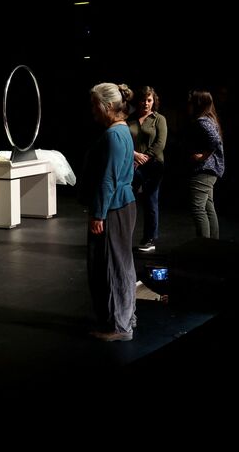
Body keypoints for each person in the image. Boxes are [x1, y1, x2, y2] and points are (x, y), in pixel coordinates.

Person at [83, 83, 137, 342]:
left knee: (113, 265)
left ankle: (120, 326)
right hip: (121, 204)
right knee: (120, 263)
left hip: (114, 207)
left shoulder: (114, 135)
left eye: (95, 105)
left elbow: (109, 178)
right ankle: (125, 318)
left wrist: (99, 214)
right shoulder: (122, 130)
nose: (93, 110)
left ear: (107, 106)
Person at [127, 86, 168, 252]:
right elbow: (124, 140)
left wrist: (144, 158)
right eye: (143, 100)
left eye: (149, 100)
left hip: (153, 166)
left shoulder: (159, 119)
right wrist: (134, 155)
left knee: (150, 201)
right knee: (128, 200)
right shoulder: (130, 119)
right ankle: (124, 236)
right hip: (133, 164)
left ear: (153, 101)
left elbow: (160, 143)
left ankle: (149, 239)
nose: (146, 103)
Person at [186, 90, 225, 239]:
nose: (188, 105)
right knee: (208, 208)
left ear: (198, 104)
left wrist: (204, 156)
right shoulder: (210, 119)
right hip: (209, 171)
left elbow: (215, 140)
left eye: (191, 102)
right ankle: (212, 245)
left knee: (198, 209)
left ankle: (204, 246)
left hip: (203, 170)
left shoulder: (202, 121)